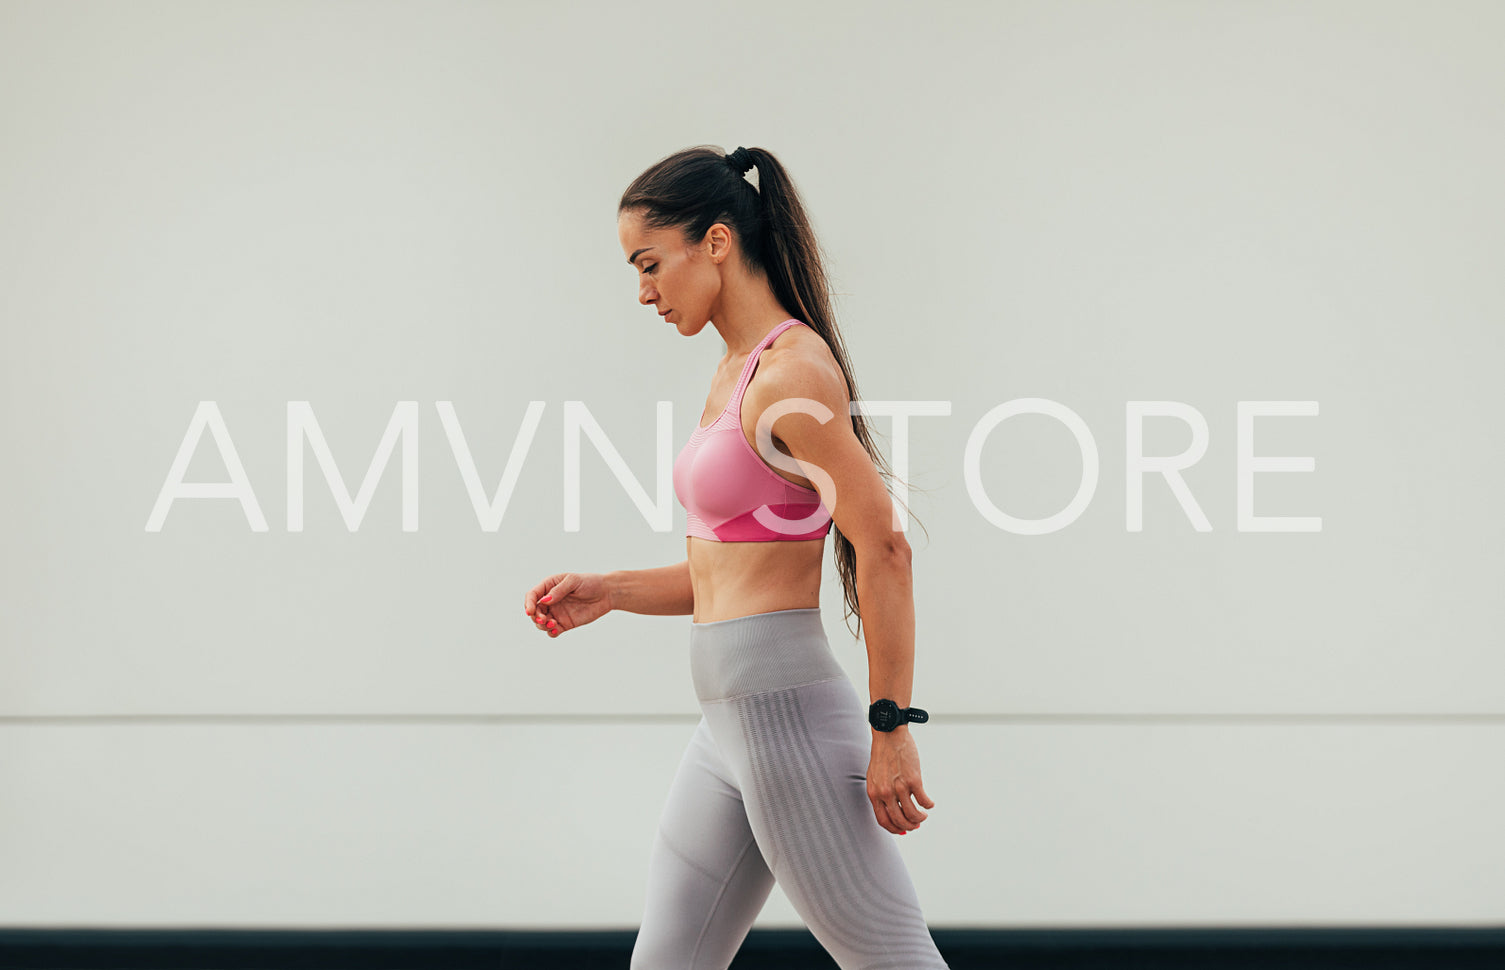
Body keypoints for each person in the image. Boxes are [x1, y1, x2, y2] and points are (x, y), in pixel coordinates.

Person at [522, 145, 948, 970]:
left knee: (891, 960)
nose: (642, 291)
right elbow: (733, 575)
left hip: (782, 714)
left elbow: (884, 546)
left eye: (649, 264)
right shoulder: (733, 373)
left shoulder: (791, 376)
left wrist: (891, 725)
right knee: (668, 962)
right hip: (729, 724)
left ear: (715, 242)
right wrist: (608, 589)